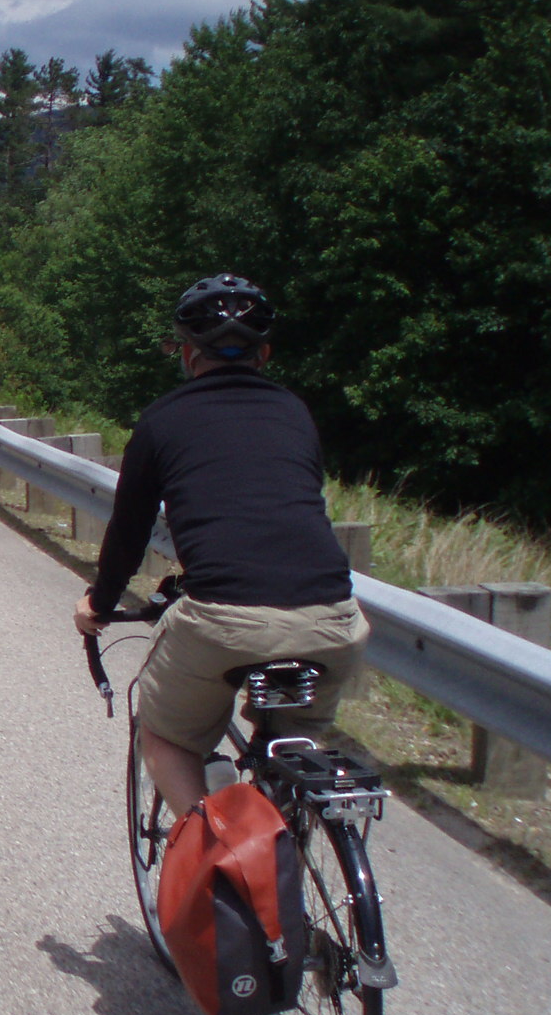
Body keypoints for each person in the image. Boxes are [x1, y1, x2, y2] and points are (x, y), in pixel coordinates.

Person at [73, 273, 369, 818]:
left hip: (225, 619)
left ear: (187, 354)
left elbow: (130, 531)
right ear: (265, 354)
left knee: (167, 735)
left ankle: (217, 859)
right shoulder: (295, 412)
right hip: (333, 618)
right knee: (295, 744)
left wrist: (100, 602)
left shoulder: (163, 420)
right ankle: (286, 841)